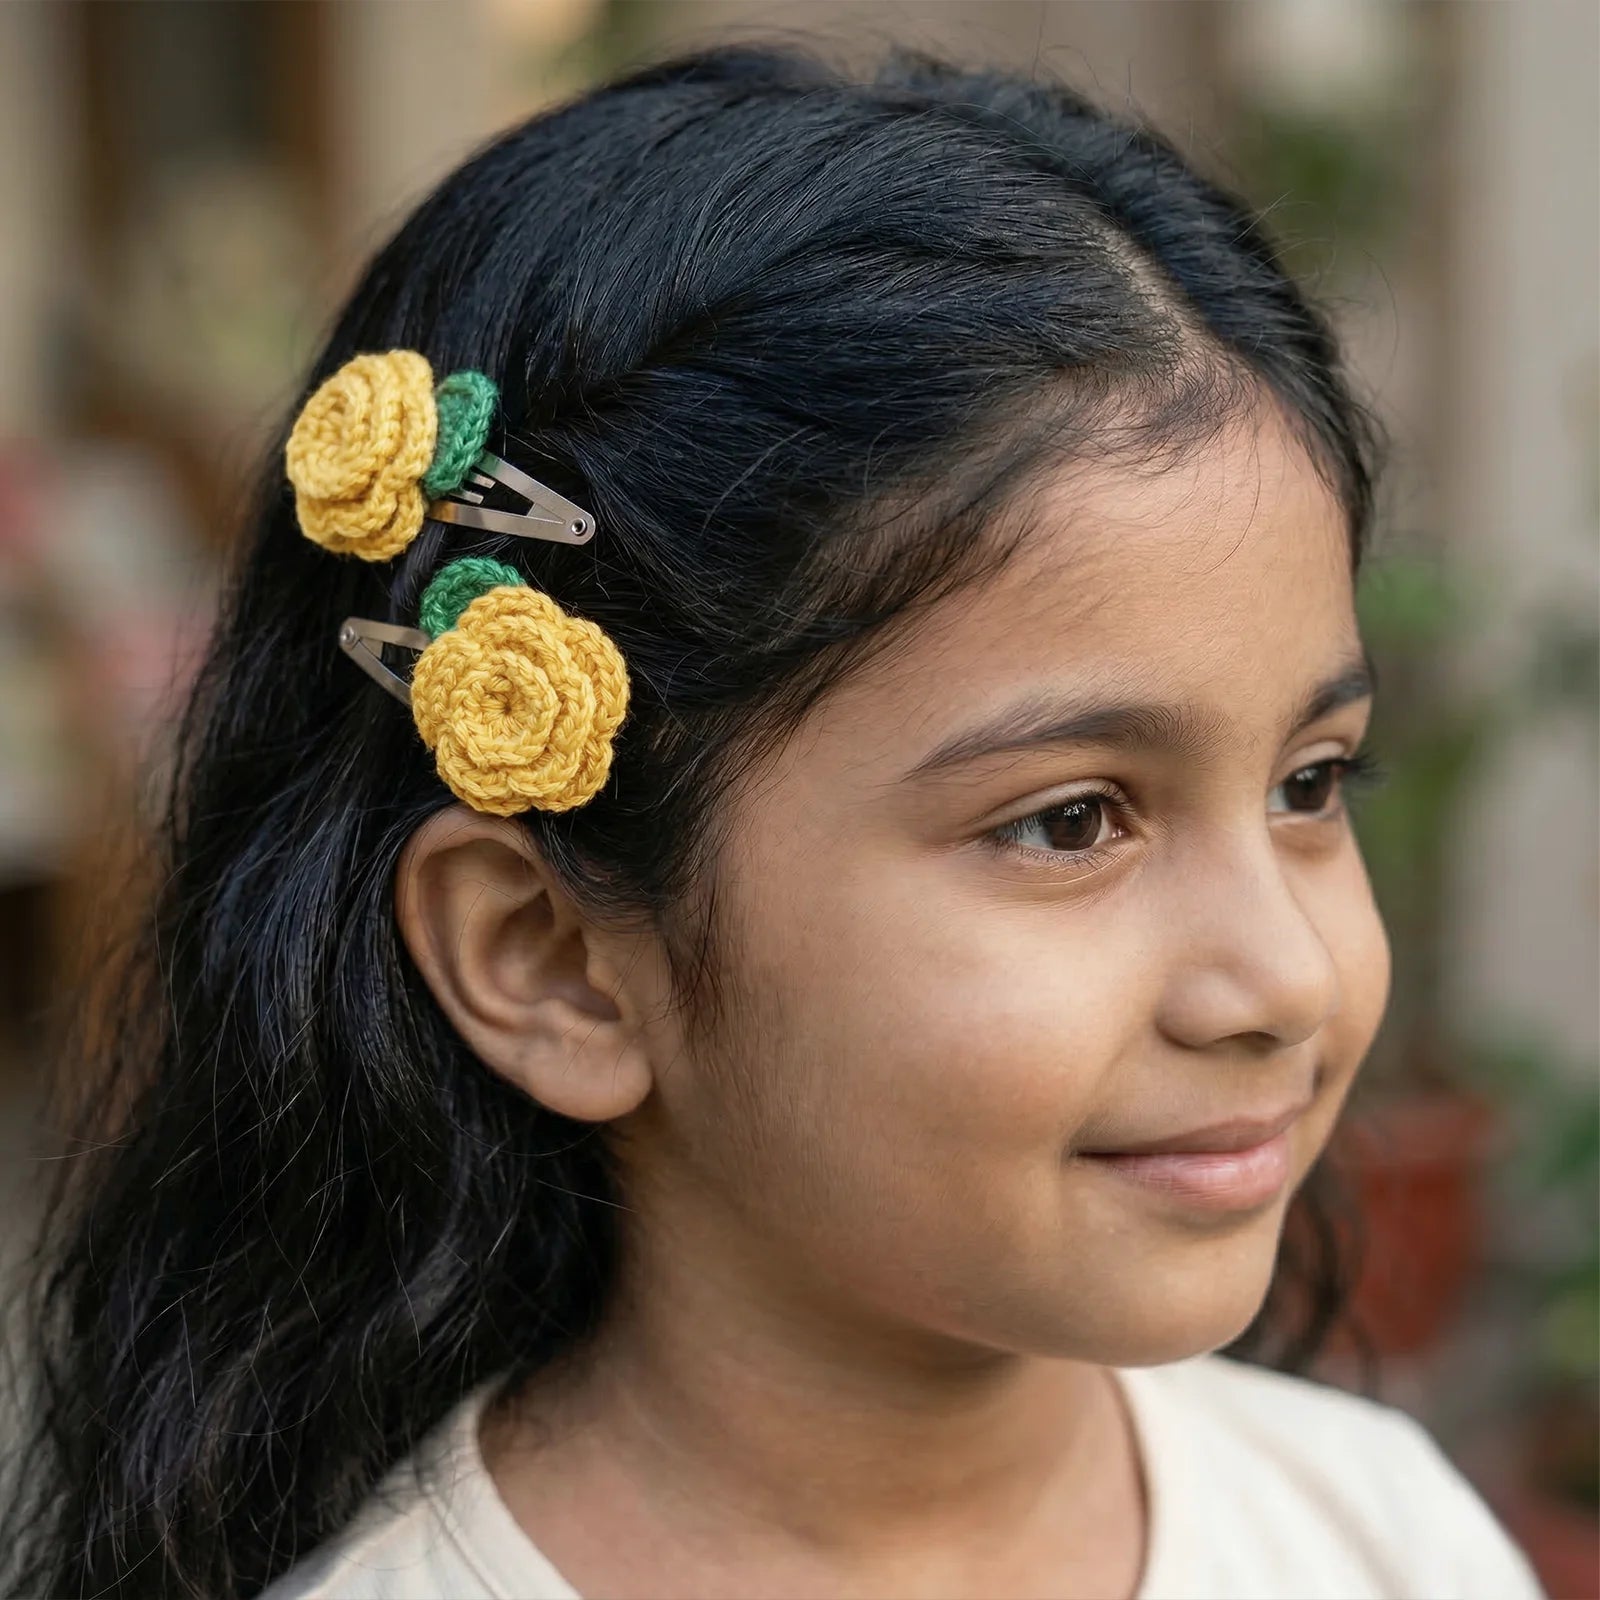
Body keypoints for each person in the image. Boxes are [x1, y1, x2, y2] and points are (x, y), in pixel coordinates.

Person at [1, 38, 1545, 1600]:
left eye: (1310, 784)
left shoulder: (1375, 1534)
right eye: (1072, 822)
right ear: (551, 957)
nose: (1282, 978)